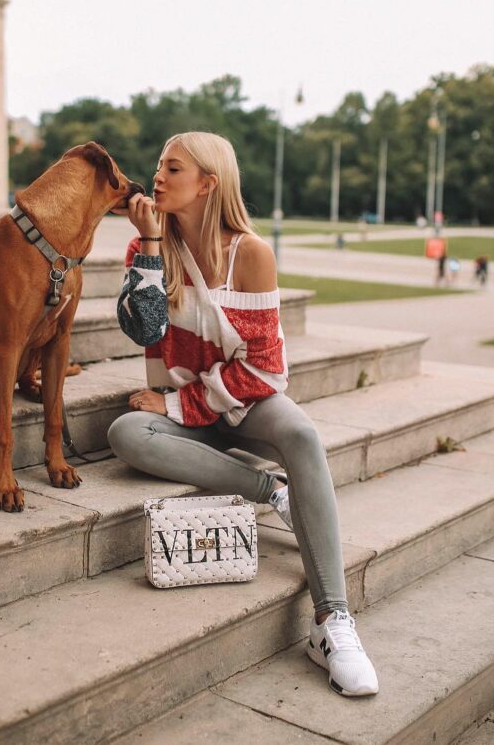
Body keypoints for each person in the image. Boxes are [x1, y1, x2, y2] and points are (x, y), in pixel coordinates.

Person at [107, 131, 379, 697]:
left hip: (243, 403)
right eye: (158, 166)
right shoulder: (145, 247)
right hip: (185, 410)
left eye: (172, 169)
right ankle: (271, 492)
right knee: (127, 433)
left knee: (302, 433)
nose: (156, 177)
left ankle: (332, 621)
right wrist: (152, 246)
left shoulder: (250, 253)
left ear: (208, 183)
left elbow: (263, 369)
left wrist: (182, 401)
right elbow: (144, 330)